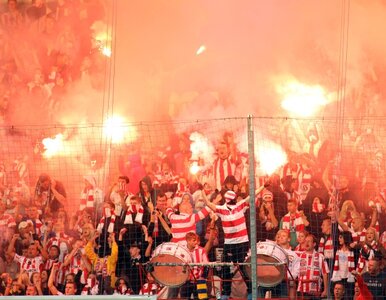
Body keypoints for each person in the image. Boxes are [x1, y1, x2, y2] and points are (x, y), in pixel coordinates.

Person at [258, 229, 300, 300]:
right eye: (279, 236)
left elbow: (296, 270)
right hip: (271, 279)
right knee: (260, 287)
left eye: (283, 236)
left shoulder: (294, 254)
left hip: (284, 281)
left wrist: (286, 277)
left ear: (289, 239)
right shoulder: (272, 251)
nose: (280, 237)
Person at [297, 234, 329, 299]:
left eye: (309, 241)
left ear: (314, 244)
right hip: (302, 290)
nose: (306, 243)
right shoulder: (299, 256)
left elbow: (325, 273)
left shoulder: (320, 256)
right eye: (305, 241)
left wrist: (326, 290)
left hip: (315, 291)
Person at [179, 232, 209, 299]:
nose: (196, 242)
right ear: (188, 241)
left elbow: (207, 265)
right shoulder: (182, 250)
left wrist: (203, 277)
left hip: (200, 281)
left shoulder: (201, 250)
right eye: (194, 240)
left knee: (202, 298)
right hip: (186, 282)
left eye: (197, 240)